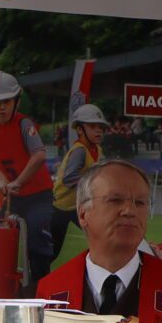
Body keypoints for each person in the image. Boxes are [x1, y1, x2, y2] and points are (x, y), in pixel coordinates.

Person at [30, 159, 162, 323]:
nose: (130, 211)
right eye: (115, 200)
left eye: (140, 203)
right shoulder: (39, 299)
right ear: (83, 214)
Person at [0, 72, 52, 279]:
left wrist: (18, 181)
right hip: (14, 198)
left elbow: (40, 155)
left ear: (17, 101)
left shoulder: (24, 125)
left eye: (6, 101)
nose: (2, 108)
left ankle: (38, 289)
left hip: (39, 196)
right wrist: (2, 179)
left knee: (36, 245)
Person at [42, 102, 112, 273]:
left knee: (101, 234)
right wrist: (94, 184)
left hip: (78, 207)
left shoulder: (97, 150)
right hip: (60, 207)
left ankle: (103, 269)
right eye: (93, 127)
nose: (99, 131)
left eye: (101, 127)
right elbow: (69, 178)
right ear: (80, 130)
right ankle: (35, 279)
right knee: (51, 252)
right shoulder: (80, 151)